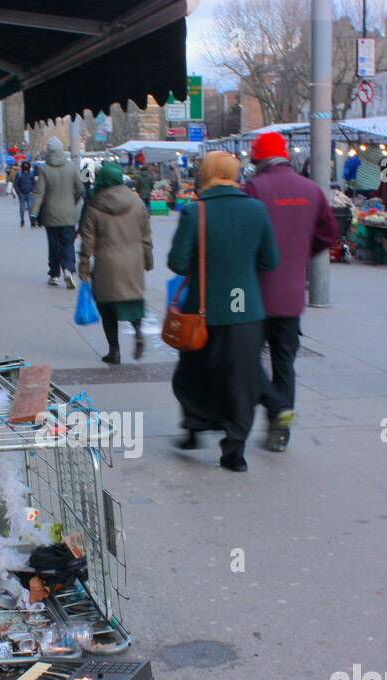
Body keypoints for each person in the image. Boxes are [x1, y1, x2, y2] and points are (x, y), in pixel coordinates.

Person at [167, 150, 280, 473]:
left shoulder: (195, 212)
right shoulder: (257, 210)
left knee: (192, 373)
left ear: (205, 173)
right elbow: (270, 261)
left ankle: (194, 426)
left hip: (201, 312)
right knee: (241, 380)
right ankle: (234, 448)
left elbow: (177, 263)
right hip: (245, 310)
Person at [242, 131, 339, 451]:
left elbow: (247, 235)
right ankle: (279, 434)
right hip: (292, 293)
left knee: (246, 359)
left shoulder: (255, 188)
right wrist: (303, 253)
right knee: (285, 362)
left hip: (257, 294)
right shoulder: (311, 189)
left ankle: (271, 408)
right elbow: (330, 233)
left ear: (259, 159)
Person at [77, 162, 153, 364]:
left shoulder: (94, 205)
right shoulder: (137, 203)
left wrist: (83, 267)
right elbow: (146, 235)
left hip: (106, 264)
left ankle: (114, 351)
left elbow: (87, 241)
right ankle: (137, 331)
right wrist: (148, 260)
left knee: (107, 307)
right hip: (133, 262)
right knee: (133, 301)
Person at [31, 137, 84, 288]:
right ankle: (69, 269)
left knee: (53, 245)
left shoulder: (44, 169)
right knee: (68, 243)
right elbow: (80, 189)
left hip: (50, 215)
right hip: (68, 214)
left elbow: (38, 193)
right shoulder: (71, 167)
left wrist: (34, 213)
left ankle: (54, 274)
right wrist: (73, 202)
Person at [14, 160, 36, 226]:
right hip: (22, 194)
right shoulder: (19, 174)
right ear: (22, 166)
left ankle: (32, 222)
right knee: (22, 209)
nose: (26, 166)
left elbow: (34, 183)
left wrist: (32, 191)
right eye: (24, 165)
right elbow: (16, 184)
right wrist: (19, 193)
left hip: (29, 194)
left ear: (29, 166)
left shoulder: (31, 174)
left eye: (27, 165)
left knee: (30, 209)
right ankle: (22, 220)